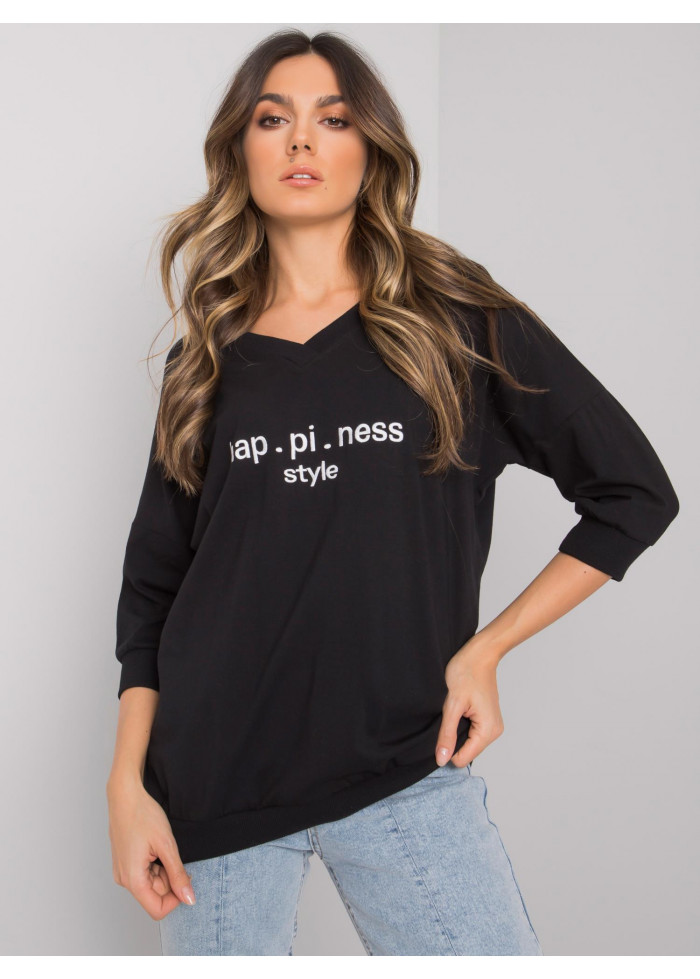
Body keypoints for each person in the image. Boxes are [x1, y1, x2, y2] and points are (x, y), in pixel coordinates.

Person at [106, 29, 680, 956]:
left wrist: (487, 649)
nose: (302, 140)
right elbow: (153, 589)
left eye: (333, 119)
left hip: (408, 762)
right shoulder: (203, 359)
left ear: (371, 149)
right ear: (239, 151)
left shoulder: (458, 322)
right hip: (211, 783)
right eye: (272, 119)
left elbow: (633, 491)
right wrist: (126, 786)